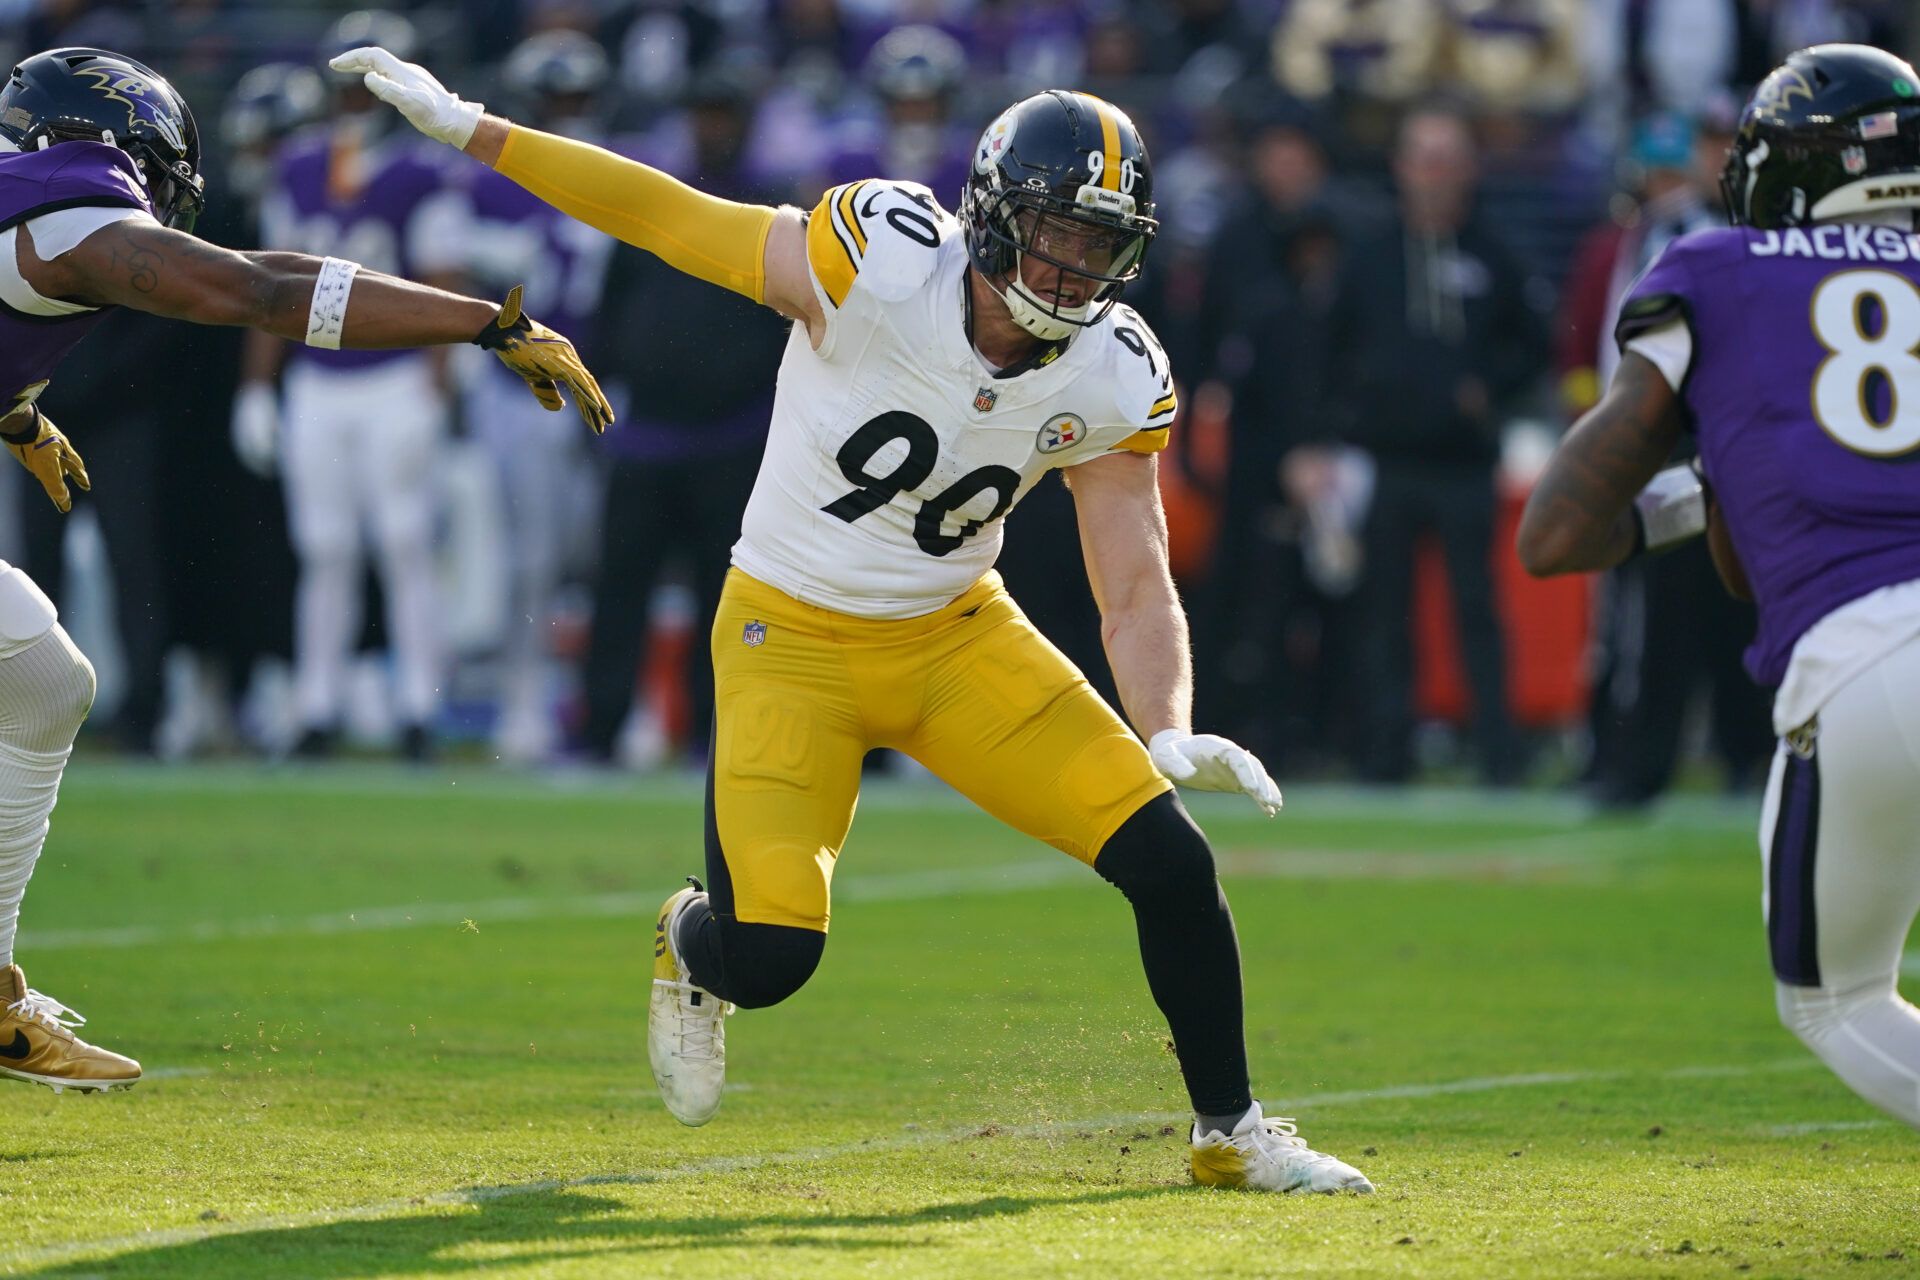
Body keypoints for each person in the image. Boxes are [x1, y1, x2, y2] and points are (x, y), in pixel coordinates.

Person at [337, 45, 1375, 1193]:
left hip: (956, 636)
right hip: (792, 633)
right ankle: (690, 936)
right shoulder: (878, 258)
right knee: (770, 957)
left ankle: (1229, 1132)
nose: (1078, 267)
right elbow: (669, 215)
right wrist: (477, 129)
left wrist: (1166, 722)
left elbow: (1133, 579)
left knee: (1171, 860)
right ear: (990, 216)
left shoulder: (1114, 372)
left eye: (1101, 243)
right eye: (1058, 231)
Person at [0, 45, 607, 1093]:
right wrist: (482, 321)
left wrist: (13, 411)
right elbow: (256, 288)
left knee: (48, 680)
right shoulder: (63, 213)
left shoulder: (25, 209)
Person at [1518, 43, 1920, 1132]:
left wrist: (1702, 490)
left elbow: (1554, 535)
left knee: (1837, 999)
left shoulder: (1719, 271)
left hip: (1871, 654)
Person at [242, 10, 473, 762]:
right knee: (326, 547)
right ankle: (317, 707)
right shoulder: (301, 167)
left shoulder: (423, 171)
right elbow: (266, 288)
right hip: (317, 377)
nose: (359, 103)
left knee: (404, 541)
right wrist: (258, 387)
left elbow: (442, 278)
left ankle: (417, 710)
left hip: (396, 374)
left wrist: (441, 382)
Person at [1328, 103, 1546, 785]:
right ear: (1400, 167)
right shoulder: (1367, 254)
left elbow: (1534, 344)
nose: (1434, 173)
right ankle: (1384, 757)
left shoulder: (1494, 251)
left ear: (1469, 170)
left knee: (1477, 611)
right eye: (1423, 157)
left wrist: (1489, 390)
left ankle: (1497, 756)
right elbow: (1331, 346)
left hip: (1463, 463)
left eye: (1447, 158)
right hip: (1388, 460)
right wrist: (1347, 418)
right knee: (1383, 617)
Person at [464, 29, 621, 764]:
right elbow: (456, 284)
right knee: (531, 556)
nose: (565, 115)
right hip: (526, 392)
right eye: (553, 101)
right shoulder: (487, 186)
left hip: (609, 383)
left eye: (576, 100)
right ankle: (526, 702)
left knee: (607, 550)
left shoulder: (619, 175)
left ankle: (617, 701)